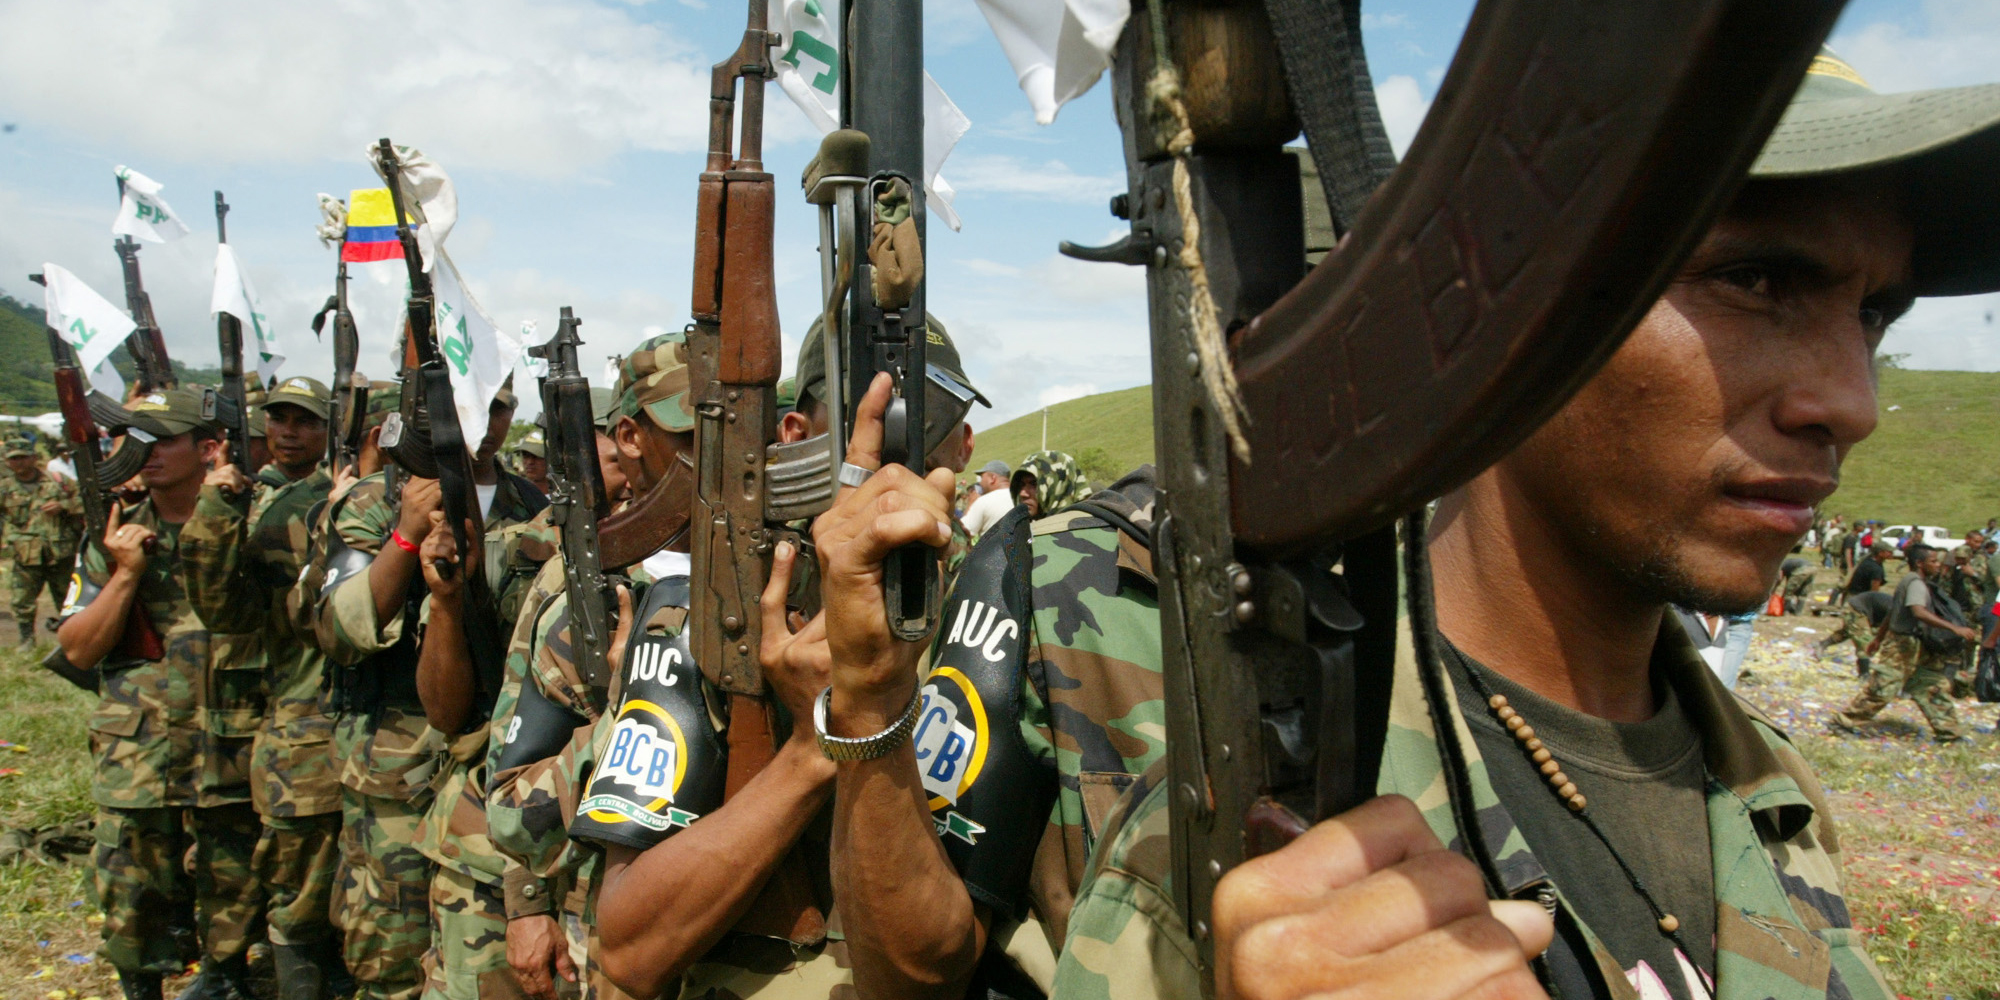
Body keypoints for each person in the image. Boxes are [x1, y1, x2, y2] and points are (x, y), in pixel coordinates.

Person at [1039, 46, 2000, 1000]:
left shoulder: (1771, 787)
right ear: (1502, 308)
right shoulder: (1263, 829)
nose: (1852, 401)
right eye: (1754, 280)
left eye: (1874, 312)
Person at [583, 318, 992, 1000]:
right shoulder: (717, 613)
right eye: (869, 414)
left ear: (967, 440)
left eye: (927, 413)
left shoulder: (1006, 606)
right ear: (797, 438)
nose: (899, 444)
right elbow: (628, 946)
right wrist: (809, 748)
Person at [305, 381, 546, 1000]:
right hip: (396, 768)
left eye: (497, 408)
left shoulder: (530, 504)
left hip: (489, 771)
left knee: (475, 963)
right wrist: (406, 536)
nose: (483, 423)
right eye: (468, 407)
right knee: (390, 956)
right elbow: (337, 631)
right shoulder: (373, 502)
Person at [56, 390, 265, 1000]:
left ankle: (224, 978)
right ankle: (142, 982)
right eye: (130, 439)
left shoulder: (243, 523)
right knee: (129, 876)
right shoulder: (113, 531)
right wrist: (124, 575)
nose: (139, 453)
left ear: (207, 449)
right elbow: (78, 650)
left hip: (227, 730)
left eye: (158, 439)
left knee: (232, 871)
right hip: (138, 743)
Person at [181, 377, 346, 1000]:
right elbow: (221, 608)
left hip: (332, 717)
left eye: (302, 421)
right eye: (277, 419)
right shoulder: (251, 501)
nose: (287, 431)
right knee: (294, 886)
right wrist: (218, 509)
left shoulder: (333, 499)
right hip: (287, 716)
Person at [1833, 544, 1977, 743]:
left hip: (1916, 645)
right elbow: (1918, 611)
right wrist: (1954, 628)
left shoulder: (1913, 582)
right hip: (1901, 647)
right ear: (1919, 563)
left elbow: (1893, 611)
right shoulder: (1915, 583)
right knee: (1883, 688)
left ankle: (1949, 732)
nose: (1937, 565)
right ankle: (1843, 722)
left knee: (1930, 687)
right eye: (1933, 561)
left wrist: (1878, 638)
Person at [0, 439, 82, 644]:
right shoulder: (5, 488)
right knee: (22, 601)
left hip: (60, 553)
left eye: (23, 457)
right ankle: (27, 641)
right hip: (26, 555)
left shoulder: (58, 480)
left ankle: (72, 641)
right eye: (14, 459)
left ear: (34, 458)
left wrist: (63, 505)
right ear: (7, 462)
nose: (19, 462)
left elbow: (84, 501)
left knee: (68, 601)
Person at [1821, 587, 1893, 678]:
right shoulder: (1896, 613)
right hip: (1856, 608)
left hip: (1865, 609)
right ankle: (1864, 674)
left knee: (1851, 632)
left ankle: (1821, 645)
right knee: (1864, 640)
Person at [957, 459, 1014, 537]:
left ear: (992, 478)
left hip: (996, 548)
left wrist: (971, 503)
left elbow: (963, 533)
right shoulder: (1020, 496)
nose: (980, 482)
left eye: (982, 477)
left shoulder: (984, 501)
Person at [514, 430, 552, 497]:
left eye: (536, 456)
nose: (530, 462)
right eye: (525, 455)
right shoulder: (517, 496)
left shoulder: (566, 498)